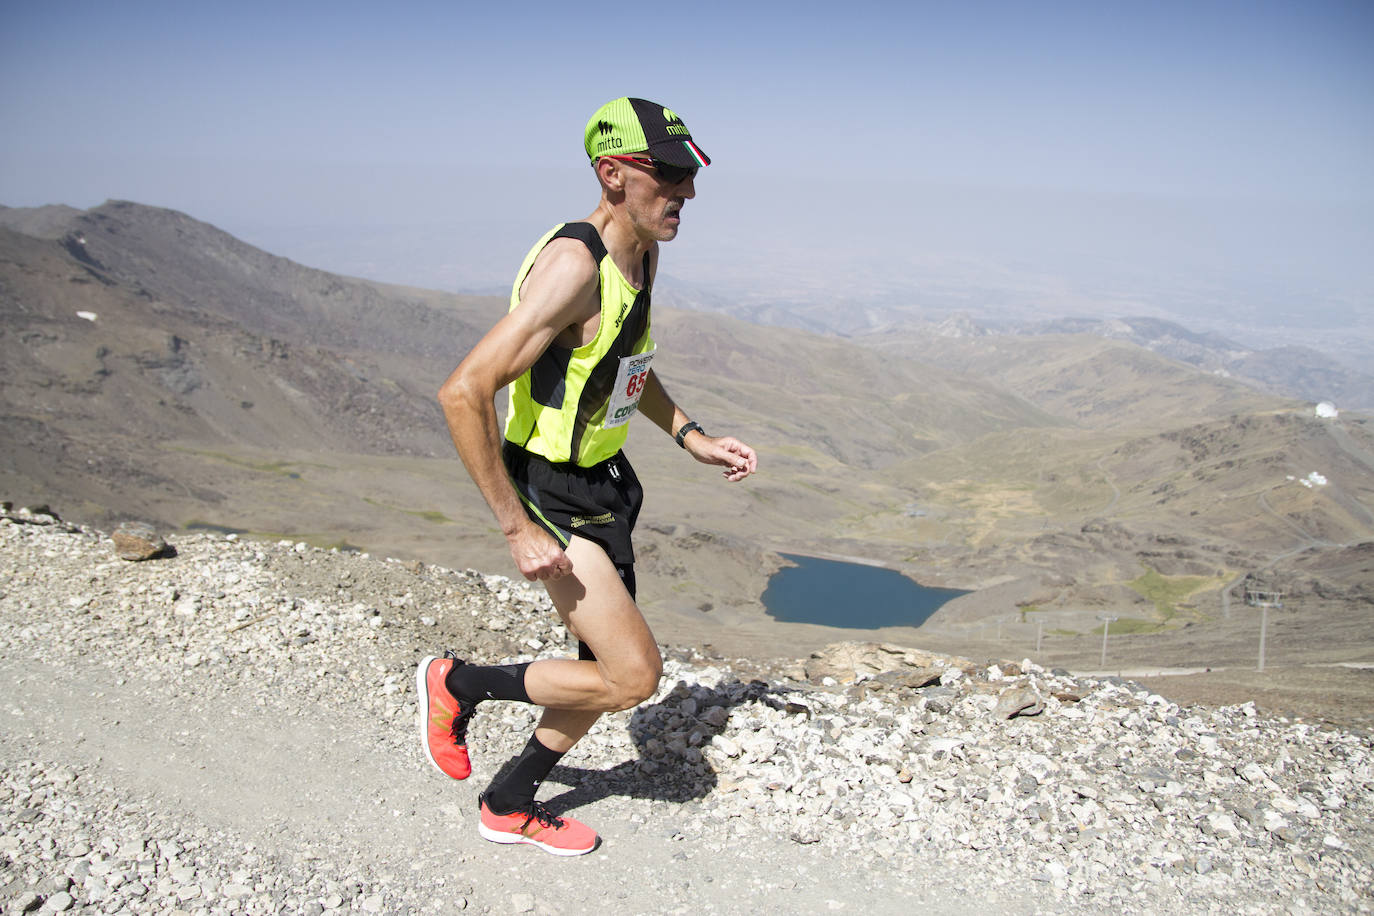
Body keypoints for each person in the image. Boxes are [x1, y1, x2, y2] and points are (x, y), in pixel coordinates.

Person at [418, 97, 758, 856]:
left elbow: (624, 366)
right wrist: (516, 526)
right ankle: (457, 684)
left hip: (605, 483)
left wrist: (689, 435)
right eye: (669, 174)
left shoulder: (644, 247)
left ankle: (509, 800)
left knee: (596, 669)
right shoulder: (575, 269)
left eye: (690, 173)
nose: (687, 193)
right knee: (633, 677)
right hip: (549, 489)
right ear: (612, 174)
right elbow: (463, 392)